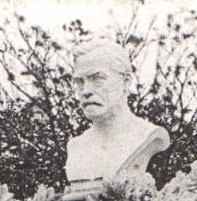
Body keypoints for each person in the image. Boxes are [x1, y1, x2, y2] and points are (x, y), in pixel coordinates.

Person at [64, 41, 170, 188]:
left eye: (97, 79)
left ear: (125, 82)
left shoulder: (147, 135)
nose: (85, 91)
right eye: (80, 82)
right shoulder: (76, 147)